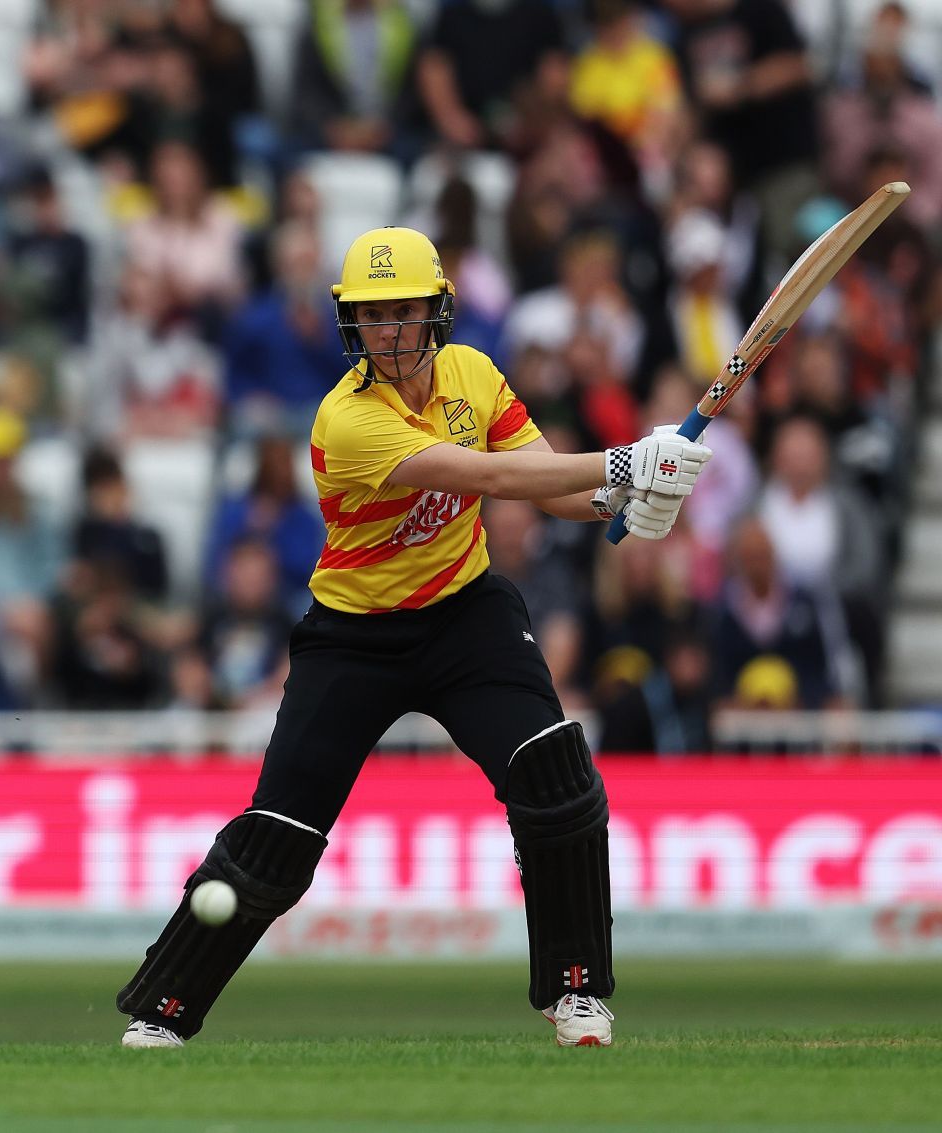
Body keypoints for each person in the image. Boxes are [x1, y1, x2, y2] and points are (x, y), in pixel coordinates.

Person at [115, 226, 713, 1052]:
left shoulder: (475, 373)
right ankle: (163, 1010)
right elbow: (494, 478)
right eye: (373, 316)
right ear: (350, 325)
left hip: (466, 615)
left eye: (404, 312)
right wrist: (622, 461)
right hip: (353, 637)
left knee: (557, 775)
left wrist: (638, 495)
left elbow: (550, 487)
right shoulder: (348, 418)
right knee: (281, 832)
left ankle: (577, 993)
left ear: (438, 311)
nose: (390, 332)